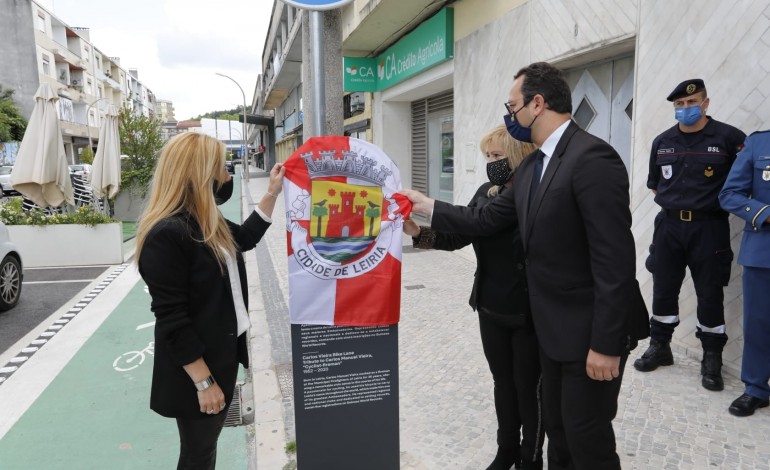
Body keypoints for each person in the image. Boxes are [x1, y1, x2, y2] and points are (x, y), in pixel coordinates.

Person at [403, 61, 647, 470]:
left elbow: (614, 262)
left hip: (588, 334)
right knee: (560, 435)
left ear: (537, 103)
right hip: (550, 334)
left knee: (588, 441)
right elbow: (482, 220)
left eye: (512, 105)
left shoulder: (592, 158)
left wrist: (605, 344)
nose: (509, 114)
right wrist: (426, 212)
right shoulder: (534, 167)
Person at [134, 132, 285, 469]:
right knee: (198, 454)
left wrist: (273, 191)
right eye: (222, 168)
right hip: (197, 369)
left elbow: (244, 237)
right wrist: (204, 383)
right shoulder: (167, 234)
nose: (227, 176)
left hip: (222, 355)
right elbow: (172, 320)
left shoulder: (205, 221)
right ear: (201, 174)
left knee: (205, 449)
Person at [404, 126, 543, 470]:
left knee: (529, 389)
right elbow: (458, 236)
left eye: (498, 156)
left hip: (527, 310)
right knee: (502, 382)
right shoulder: (487, 191)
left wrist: (429, 205)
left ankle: (531, 457)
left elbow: (480, 221)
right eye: (487, 156)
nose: (491, 163)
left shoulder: (529, 194)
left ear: (519, 156)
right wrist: (419, 234)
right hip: (490, 304)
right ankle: (507, 448)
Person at [634, 79, 746, 392]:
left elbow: (745, 179)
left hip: (709, 227)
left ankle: (711, 357)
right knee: (663, 287)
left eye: (692, 102)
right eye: (680, 105)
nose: (686, 109)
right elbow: (655, 184)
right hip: (669, 226)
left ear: (706, 103)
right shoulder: (663, 141)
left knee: (710, 292)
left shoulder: (728, 138)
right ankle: (661, 346)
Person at [719, 130, 770, 417]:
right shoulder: (759, 143)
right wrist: (765, 213)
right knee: (758, 324)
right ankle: (756, 389)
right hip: (764, 251)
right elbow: (729, 195)